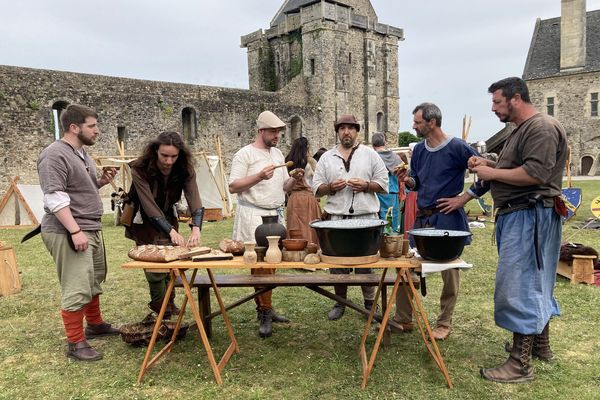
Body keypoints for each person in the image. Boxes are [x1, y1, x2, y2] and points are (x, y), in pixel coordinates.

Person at [472, 77, 567, 383]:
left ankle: (519, 364)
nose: (493, 108)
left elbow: (535, 173)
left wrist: (489, 171)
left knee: (521, 285)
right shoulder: (523, 130)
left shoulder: (541, 127)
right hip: (524, 215)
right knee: (536, 281)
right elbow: (518, 165)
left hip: (530, 215)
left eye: (497, 102)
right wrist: (489, 164)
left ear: (515, 98)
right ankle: (540, 345)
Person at [393, 103, 488, 340]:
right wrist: (406, 179)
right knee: (406, 266)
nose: (413, 126)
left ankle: (444, 323)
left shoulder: (458, 147)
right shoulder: (420, 151)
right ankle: (404, 318)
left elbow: (487, 175)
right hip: (423, 217)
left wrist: (464, 198)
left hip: (447, 217)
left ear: (432, 122)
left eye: (417, 122)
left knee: (450, 271)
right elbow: (417, 182)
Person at [37, 104, 120, 361]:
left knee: (93, 279)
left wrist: (101, 182)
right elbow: (54, 197)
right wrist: (74, 231)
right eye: (92, 126)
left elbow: (77, 188)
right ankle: (75, 343)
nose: (98, 131)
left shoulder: (80, 153)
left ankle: (94, 325)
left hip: (89, 227)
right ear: (74, 127)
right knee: (76, 285)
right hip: (68, 230)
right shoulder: (54, 155)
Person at [312, 114, 388, 320]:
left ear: (357, 131)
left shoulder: (371, 155)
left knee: (366, 264)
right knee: (337, 264)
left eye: (351, 128)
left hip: (366, 218)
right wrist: (329, 188)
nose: (346, 132)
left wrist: (365, 185)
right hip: (336, 219)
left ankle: (370, 304)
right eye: (342, 128)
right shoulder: (327, 157)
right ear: (337, 132)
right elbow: (316, 189)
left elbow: (383, 185)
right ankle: (340, 302)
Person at [228, 110, 297, 338]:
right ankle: (265, 311)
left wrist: (294, 179)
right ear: (261, 131)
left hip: (275, 214)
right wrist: (258, 176)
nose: (277, 135)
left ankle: (265, 307)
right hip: (253, 215)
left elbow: (283, 187)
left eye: (279, 131)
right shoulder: (244, 155)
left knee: (273, 263)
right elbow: (233, 186)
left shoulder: (277, 154)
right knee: (259, 266)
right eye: (273, 131)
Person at [125, 131, 204, 319]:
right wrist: (170, 231)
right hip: (144, 220)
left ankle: (169, 303)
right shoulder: (140, 168)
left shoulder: (185, 168)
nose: (169, 161)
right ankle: (160, 308)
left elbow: (194, 198)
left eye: (173, 156)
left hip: (169, 215)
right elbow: (148, 205)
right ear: (155, 151)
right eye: (164, 156)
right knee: (154, 266)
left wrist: (196, 227)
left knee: (172, 260)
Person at [284, 137, 321, 244]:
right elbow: (317, 181)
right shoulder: (311, 162)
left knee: (295, 228)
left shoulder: (287, 161)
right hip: (308, 199)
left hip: (293, 199)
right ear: (307, 147)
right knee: (310, 229)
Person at [371, 132, 402, 233]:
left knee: (379, 223)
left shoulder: (372, 157)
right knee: (392, 220)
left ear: (373, 144)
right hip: (392, 194)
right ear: (384, 142)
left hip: (378, 192)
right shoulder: (395, 157)